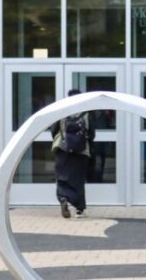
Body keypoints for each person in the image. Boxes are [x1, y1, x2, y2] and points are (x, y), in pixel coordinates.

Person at [51, 89, 95, 218]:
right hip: (81, 150)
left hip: (62, 149)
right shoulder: (86, 113)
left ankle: (63, 198)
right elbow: (92, 134)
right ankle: (79, 209)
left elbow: (54, 130)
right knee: (78, 179)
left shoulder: (62, 111)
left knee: (62, 176)